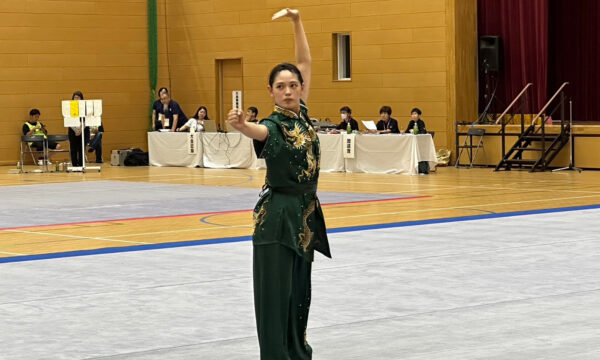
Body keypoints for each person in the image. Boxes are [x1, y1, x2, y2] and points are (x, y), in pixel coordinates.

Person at [227, 8, 331, 360]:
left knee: (299, 293)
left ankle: (296, 352)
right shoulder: (272, 125)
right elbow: (260, 132)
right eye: (281, 86)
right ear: (270, 92)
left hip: (304, 215)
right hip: (277, 216)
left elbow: (305, 60)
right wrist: (243, 126)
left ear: (300, 88)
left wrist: (298, 21)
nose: (288, 90)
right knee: (274, 296)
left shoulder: (301, 113)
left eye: (293, 84)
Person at [68, 91, 90, 167]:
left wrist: (81, 129)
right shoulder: (70, 107)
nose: (76, 99)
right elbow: (68, 120)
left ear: (81, 98)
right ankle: (74, 165)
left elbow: (86, 119)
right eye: (75, 97)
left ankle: (81, 164)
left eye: (78, 97)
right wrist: (76, 130)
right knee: (73, 148)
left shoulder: (85, 108)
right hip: (72, 130)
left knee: (81, 148)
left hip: (83, 130)